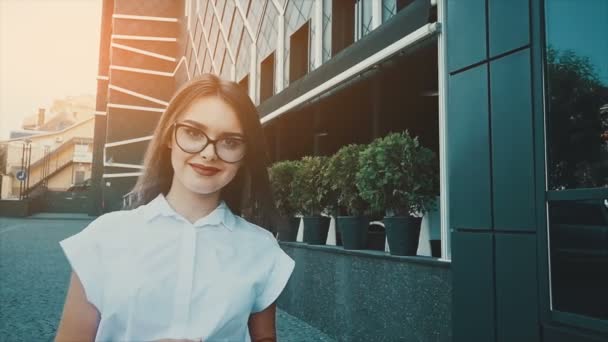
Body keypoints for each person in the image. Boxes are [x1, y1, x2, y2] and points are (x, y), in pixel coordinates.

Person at [55, 74, 296, 342]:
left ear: (245, 154)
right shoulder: (104, 237)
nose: (209, 153)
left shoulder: (260, 248)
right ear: (169, 135)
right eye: (193, 133)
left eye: (230, 141)